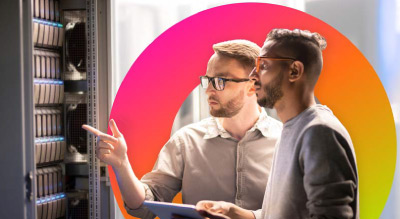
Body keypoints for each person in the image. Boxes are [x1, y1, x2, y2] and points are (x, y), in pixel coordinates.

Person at [82, 40, 282, 218]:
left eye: (220, 81)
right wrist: (122, 164)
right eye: (208, 80)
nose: (209, 89)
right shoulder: (186, 141)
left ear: (252, 85)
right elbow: (143, 207)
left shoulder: (287, 142)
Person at [193, 29, 359, 219]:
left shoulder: (320, 133)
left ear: (294, 71)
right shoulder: (292, 129)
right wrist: (237, 214)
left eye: (263, 65)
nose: (253, 75)